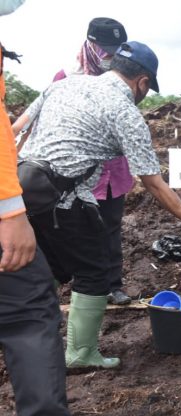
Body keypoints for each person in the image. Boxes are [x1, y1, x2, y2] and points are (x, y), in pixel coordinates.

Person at [16, 41, 181, 369]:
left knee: (41, 266)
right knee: (94, 273)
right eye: (147, 88)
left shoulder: (64, 84)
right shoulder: (125, 113)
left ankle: (32, 343)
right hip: (64, 198)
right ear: (142, 82)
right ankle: (81, 354)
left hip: (22, 188)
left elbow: (17, 129)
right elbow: (153, 183)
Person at [0, 2, 95, 416]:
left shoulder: (61, 86)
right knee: (28, 315)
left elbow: (13, 123)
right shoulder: (104, 100)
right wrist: (9, 211)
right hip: (20, 197)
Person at [25, 17, 133, 305]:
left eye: (116, 49)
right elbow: (42, 118)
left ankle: (112, 284)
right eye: (105, 49)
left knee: (111, 224)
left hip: (112, 168)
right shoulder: (66, 76)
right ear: (91, 44)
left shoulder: (125, 76)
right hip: (75, 171)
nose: (109, 56)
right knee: (81, 228)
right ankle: (80, 284)